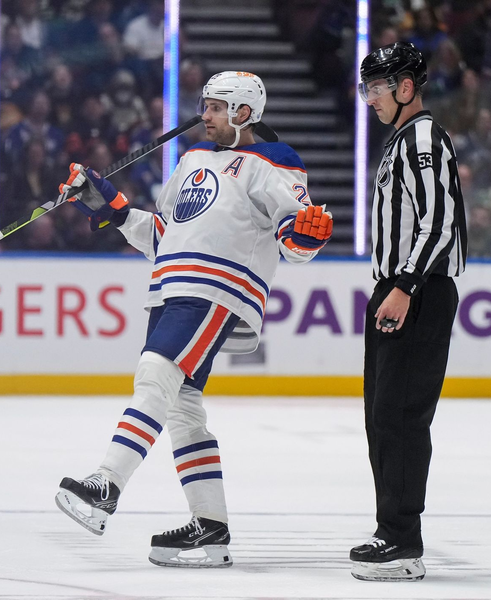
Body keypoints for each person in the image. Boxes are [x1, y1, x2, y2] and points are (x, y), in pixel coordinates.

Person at [54, 72, 333, 568]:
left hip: (217, 289)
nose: (204, 115)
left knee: (155, 376)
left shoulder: (274, 161)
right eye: (204, 106)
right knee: (182, 406)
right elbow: (164, 235)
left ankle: (106, 483)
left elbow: (295, 240)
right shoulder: (190, 161)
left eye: (216, 107)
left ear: (244, 113)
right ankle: (210, 530)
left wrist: (306, 235)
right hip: (170, 287)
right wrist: (111, 207)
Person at [352, 42, 467, 582]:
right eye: (367, 88)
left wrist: (404, 285)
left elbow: (438, 220)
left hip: (415, 291)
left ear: (405, 88)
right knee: (383, 417)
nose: (370, 98)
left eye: (377, 88)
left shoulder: (422, 137)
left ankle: (402, 542)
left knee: (398, 417)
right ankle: (391, 532)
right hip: (400, 289)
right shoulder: (402, 139)